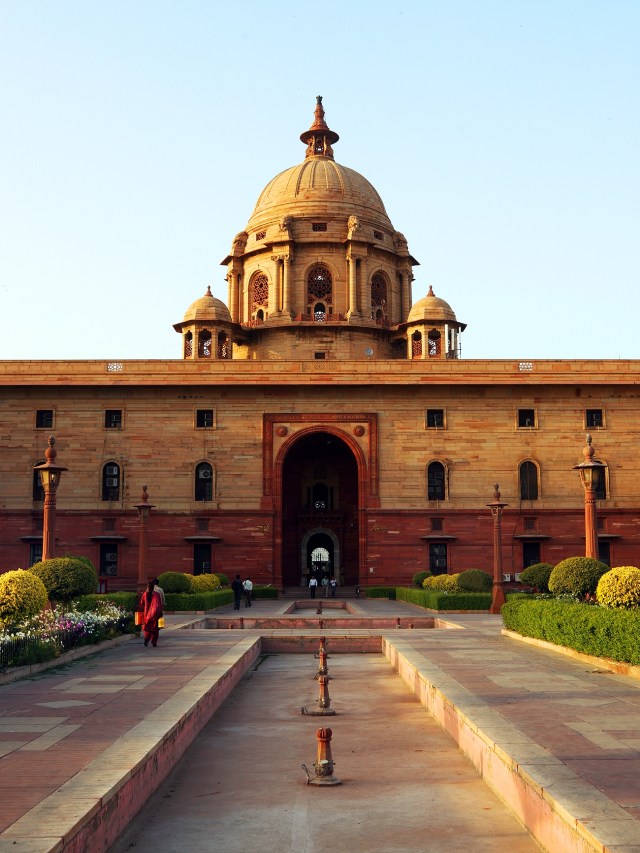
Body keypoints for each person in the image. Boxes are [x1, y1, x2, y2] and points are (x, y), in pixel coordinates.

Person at [141, 580, 163, 647]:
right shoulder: (157, 594)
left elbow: (141, 603)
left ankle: (146, 639)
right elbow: (160, 604)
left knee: (147, 629)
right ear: (153, 587)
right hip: (155, 614)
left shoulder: (145, 594)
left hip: (147, 615)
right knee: (155, 629)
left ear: (147, 587)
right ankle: (154, 642)